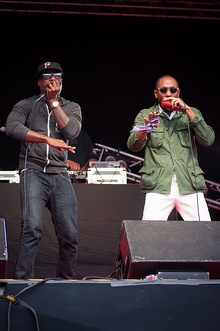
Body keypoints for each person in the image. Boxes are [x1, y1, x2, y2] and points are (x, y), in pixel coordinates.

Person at [6, 61, 82, 279]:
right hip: (33, 171)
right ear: (39, 82)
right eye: (46, 76)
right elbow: (12, 127)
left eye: (56, 75)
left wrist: (54, 103)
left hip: (59, 174)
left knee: (69, 234)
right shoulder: (27, 105)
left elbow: (72, 131)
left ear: (62, 80)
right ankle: (21, 283)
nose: (51, 79)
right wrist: (48, 139)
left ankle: (66, 284)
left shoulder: (71, 107)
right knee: (32, 229)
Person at [127, 74, 215, 221]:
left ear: (178, 93)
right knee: (150, 234)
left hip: (189, 183)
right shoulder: (145, 114)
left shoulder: (191, 113)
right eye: (163, 90)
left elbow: (208, 140)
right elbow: (132, 145)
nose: (168, 94)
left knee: (204, 232)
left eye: (172, 90)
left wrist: (186, 109)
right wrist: (145, 129)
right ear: (156, 93)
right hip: (159, 185)